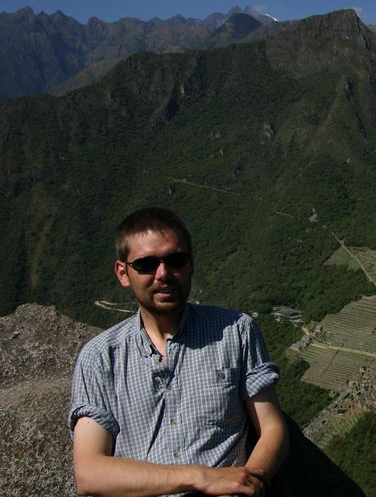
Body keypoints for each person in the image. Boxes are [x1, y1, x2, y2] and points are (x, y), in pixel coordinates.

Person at [70, 207, 288, 496]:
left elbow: (273, 429)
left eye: (175, 260)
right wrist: (199, 477)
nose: (163, 274)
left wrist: (246, 486)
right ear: (123, 273)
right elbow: (89, 472)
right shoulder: (100, 358)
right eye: (146, 265)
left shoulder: (236, 332)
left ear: (190, 264)